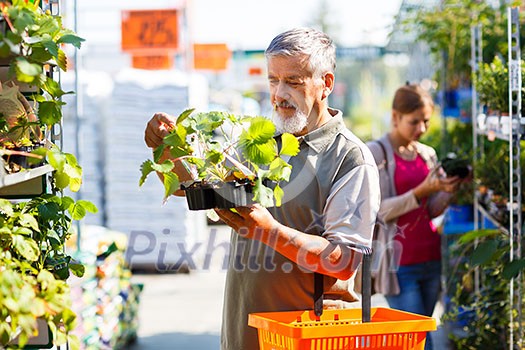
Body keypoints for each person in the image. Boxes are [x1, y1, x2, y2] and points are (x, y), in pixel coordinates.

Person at [144, 27, 380, 350]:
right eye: (273, 80)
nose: (279, 93)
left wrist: (268, 230)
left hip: (308, 340)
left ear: (326, 84)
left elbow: (342, 259)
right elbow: (190, 186)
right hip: (244, 337)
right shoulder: (261, 143)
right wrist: (166, 147)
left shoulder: (348, 158)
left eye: (293, 81)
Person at [366, 83, 462, 350]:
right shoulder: (376, 153)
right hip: (400, 263)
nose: (421, 129)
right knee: (418, 341)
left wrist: (450, 190)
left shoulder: (426, 154)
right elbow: (378, 211)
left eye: (426, 122)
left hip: (431, 257)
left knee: (421, 333)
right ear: (395, 116)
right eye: (414, 122)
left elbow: (430, 210)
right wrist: (422, 190)